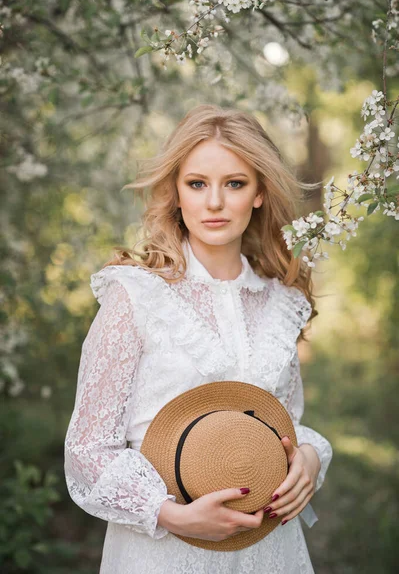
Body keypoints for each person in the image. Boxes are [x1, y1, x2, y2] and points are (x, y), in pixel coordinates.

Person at [64, 104, 333, 573]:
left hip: (270, 550)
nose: (214, 202)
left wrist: (307, 458)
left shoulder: (280, 301)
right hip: (164, 551)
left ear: (259, 193)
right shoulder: (136, 295)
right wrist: (172, 515)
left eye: (234, 183)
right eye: (197, 184)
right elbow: (88, 449)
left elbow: (284, 423)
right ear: (176, 192)